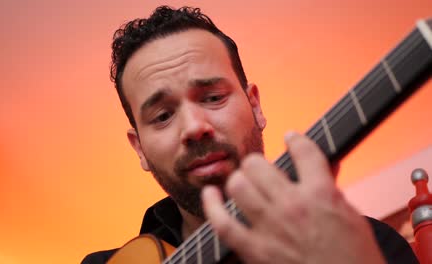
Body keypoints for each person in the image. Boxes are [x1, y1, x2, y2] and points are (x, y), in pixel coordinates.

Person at [82, 5, 418, 263]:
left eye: (213, 98)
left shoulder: (370, 245)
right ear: (139, 148)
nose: (195, 127)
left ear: (254, 105)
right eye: (163, 115)